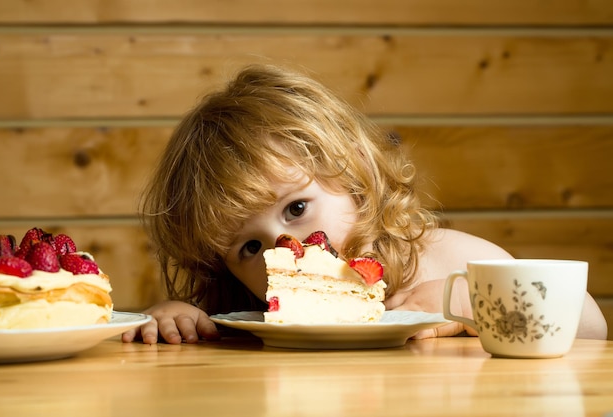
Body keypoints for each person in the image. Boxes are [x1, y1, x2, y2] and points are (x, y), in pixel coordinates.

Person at [122, 64, 607, 344]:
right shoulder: (250, 314)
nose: (281, 250)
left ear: (353, 172)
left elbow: (590, 328)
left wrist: (473, 302)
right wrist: (175, 318)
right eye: (249, 247)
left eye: (296, 209)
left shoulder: (445, 260)